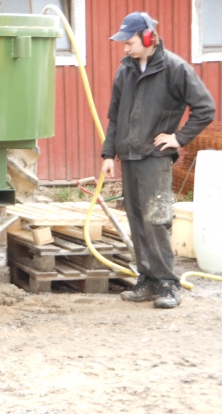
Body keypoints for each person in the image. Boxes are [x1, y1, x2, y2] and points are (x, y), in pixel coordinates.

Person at [102, 12, 215, 309]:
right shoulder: (124, 71)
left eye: (129, 42)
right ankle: (148, 279)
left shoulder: (175, 69)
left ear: (148, 37)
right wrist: (107, 154)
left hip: (154, 158)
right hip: (128, 156)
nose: (125, 48)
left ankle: (168, 284)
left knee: (157, 220)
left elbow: (205, 108)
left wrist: (178, 138)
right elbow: (115, 116)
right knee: (137, 220)